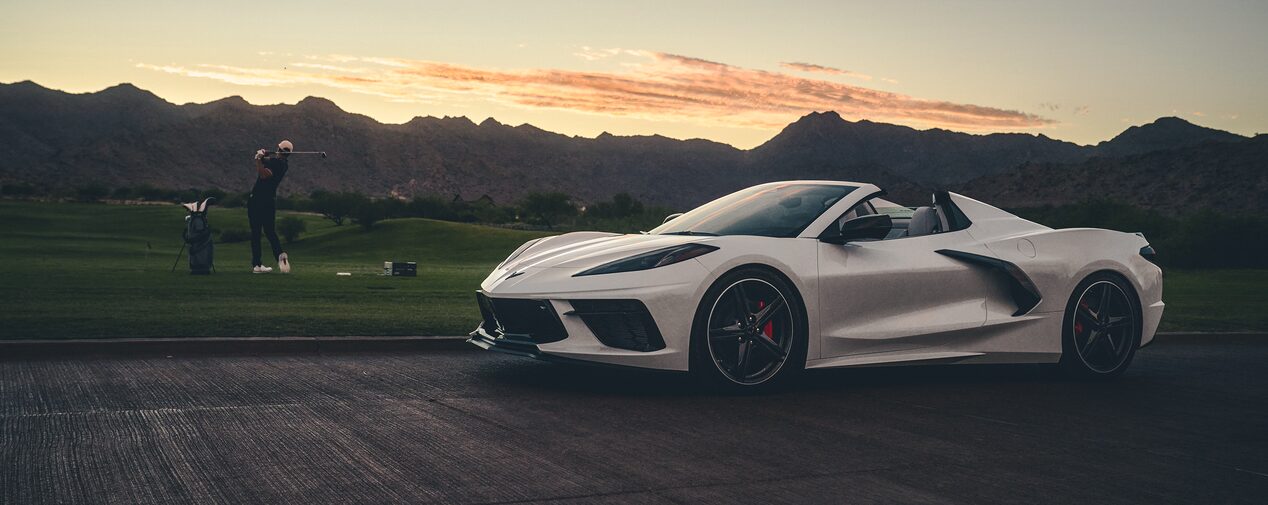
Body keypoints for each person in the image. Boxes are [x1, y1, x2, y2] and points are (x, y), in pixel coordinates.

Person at [249, 140, 292, 273]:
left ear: (279, 149)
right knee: (270, 231)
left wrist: (258, 159)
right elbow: (268, 161)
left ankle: (257, 264)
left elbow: (263, 174)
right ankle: (280, 255)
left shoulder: (276, 163)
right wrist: (264, 155)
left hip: (257, 200)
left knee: (256, 232)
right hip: (269, 201)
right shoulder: (283, 164)